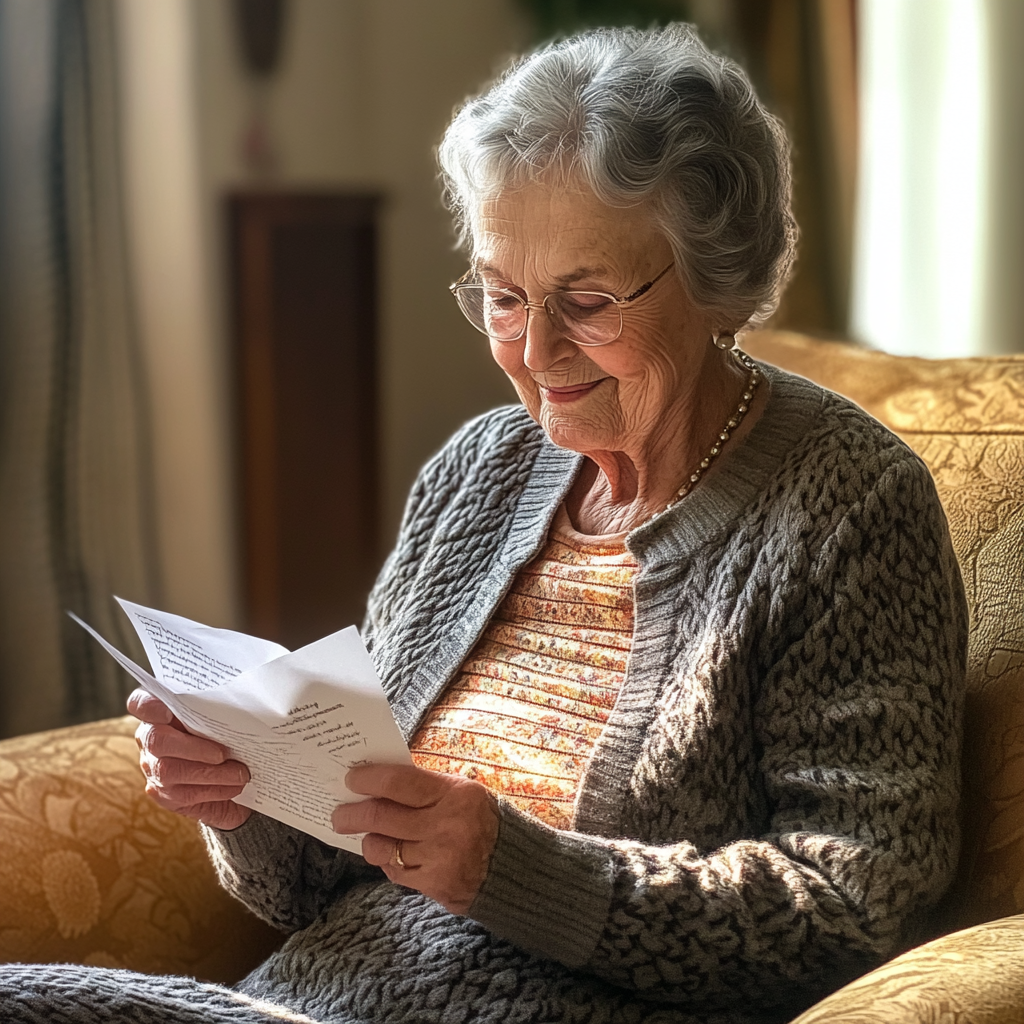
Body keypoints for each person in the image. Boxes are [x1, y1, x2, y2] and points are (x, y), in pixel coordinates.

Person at [0, 22, 966, 1024]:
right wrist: (247, 793)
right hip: (303, 1002)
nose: (537, 351)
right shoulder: (483, 470)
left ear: (716, 276)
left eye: (585, 301)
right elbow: (311, 886)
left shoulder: (846, 505)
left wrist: (518, 872)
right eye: (503, 298)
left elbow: (854, 908)